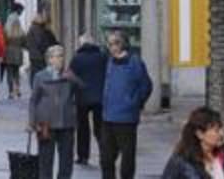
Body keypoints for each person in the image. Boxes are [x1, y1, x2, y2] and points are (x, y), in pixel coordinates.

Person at [101, 31, 153, 179]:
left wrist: (135, 102)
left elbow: (146, 85)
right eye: (110, 44)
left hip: (126, 118)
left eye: (116, 43)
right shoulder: (109, 61)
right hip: (107, 116)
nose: (112, 47)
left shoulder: (134, 62)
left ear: (123, 43)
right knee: (106, 158)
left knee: (127, 157)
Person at [30, 45, 81, 179]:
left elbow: (82, 90)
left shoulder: (69, 74)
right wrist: (31, 122)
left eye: (62, 56)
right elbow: (33, 100)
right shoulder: (40, 76)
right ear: (49, 59)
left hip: (66, 122)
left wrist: (73, 78)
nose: (60, 59)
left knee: (66, 160)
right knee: (46, 160)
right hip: (46, 123)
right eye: (56, 56)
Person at [162, 107, 224, 179]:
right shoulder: (181, 163)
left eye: (221, 129)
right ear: (200, 134)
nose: (222, 134)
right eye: (216, 130)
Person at [69, 33, 109, 166]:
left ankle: (83, 156)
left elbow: (71, 78)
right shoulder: (102, 57)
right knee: (100, 128)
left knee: (82, 128)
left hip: (82, 97)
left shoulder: (76, 58)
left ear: (81, 44)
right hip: (100, 97)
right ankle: (104, 154)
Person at [25, 14, 59, 90]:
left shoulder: (31, 28)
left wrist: (30, 49)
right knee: (39, 72)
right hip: (38, 55)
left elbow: (27, 43)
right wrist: (44, 50)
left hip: (33, 55)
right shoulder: (37, 29)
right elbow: (39, 42)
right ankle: (38, 87)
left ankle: (34, 87)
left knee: (34, 72)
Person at [3, 13, 26, 99]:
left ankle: (11, 91)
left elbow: (4, 42)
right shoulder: (21, 32)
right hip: (18, 53)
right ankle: (17, 88)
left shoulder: (7, 31)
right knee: (16, 72)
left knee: (9, 73)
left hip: (9, 53)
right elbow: (24, 43)